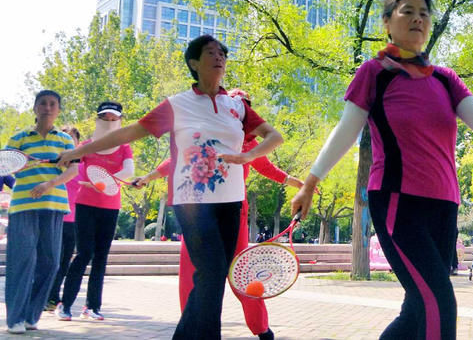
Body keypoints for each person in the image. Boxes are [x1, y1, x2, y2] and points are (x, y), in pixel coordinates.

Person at [291, 0, 473, 340]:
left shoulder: (444, 79)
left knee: (417, 308)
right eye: (407, 11)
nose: (418, 18)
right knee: (438, 303)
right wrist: (311, 182)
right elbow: (346, 130)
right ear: (387, 22)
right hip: (399, 202)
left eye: (424, 13)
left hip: (444, 205)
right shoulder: (375, 72)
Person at [59, 35, 282, 339]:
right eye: (210, 52)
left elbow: (274, 136)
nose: (219, 57)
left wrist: (249, 155)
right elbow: (128, 133)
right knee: (213, 273)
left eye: (222, 54)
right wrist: (77, 152)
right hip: (192, 203)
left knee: (211, 277)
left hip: (232, 203)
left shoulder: (237, 107)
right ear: (194, 63)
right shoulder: (178, 105)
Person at [132, 88, 302, 340]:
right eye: (237, 107)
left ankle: (262, 330)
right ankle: (193, 330)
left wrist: (297, 183)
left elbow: (267, 167)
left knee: (240, 273)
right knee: (194, 272)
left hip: (234, 212)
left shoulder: (249, 144)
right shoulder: (205, 137)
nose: (242, 114)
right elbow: (174, 162)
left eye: (246, 108)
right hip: (198, 208)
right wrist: (147, 177)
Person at [4, 90, 78, 334]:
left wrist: (49, 184)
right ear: (35, 108)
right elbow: (6, 166)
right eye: (43, 103)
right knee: (21, 261)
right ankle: (15, 318)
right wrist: (21, 161)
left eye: (52, 104)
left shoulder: (66, 141)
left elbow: (73, 171)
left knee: (51, 262)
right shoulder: (19, 139)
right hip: (23, 206)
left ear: (58, 109)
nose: (47, 107)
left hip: (54, 205)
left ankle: (31, 315)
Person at [56, 103, 134, 321]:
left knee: (101, 257)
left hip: (110, 207)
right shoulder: (87, 146)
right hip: (86, 205)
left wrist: (107, 182)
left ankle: (92, 307)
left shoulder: (124, 146)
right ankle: (65, 304)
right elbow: (75, 170)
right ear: (98, 119)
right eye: (105, 118)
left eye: (113, 119)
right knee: (84, 253)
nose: (109, 123)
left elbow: (128, 170)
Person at [46, 125, 82, 311]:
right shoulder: (52, 165)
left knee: (64, 262)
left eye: (73, 138)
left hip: (73, 222)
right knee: (50, 260)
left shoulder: (80, 167)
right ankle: (45, 295)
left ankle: (53, 297)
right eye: (67, 137)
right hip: (54, 218)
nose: (70, 141)